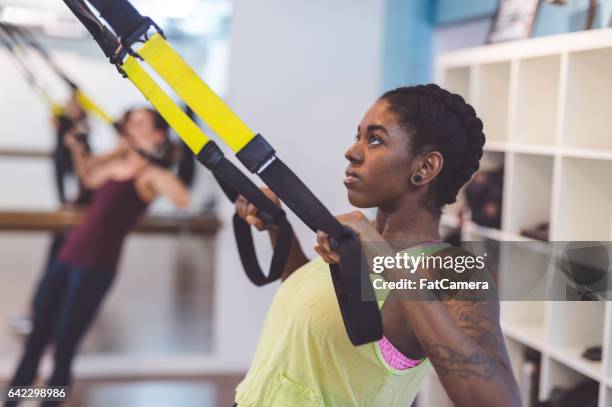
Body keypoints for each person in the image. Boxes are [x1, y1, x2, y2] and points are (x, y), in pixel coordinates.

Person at [232, 84, 521, 406]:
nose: (352, 151)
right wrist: (278, 227)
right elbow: (324, 311)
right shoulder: (357, 239)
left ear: (425, 168)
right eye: (357, 136)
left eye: (374, 139)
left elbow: (501, 401)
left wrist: (385, 259)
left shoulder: (452, 270)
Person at [5, 108, 190, 407]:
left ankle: (49, 403)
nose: (131, 126)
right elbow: (89, 177)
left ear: (158, 134)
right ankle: (11, 400)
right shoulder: (116, 165)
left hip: (96, 268)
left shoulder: (150, 177)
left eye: (139, 122)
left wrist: (153, 158)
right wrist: (82, 150)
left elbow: (182, 199)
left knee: (64, 347)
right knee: (37, 337)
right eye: (130, 121)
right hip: (66, 258)